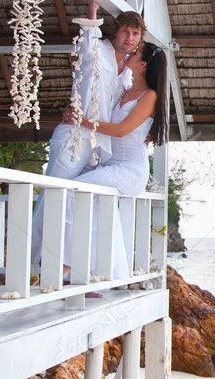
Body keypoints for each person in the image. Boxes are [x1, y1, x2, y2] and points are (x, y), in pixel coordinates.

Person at [30, 0, 146, 268]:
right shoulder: (98, 51)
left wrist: (145, 131)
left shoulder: (129, 75)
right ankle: (38, 262)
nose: (130, 38)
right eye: (126, 32)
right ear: (115, 33)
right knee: (55, 196)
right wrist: (93, 10)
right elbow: (87, 40)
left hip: (99, 148)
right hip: (74, 137)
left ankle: (76, 266)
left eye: (135, 34)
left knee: (82, 203)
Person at [61, 41, 169, 279]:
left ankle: (68, 265)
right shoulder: (125, 89)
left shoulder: (149, 96)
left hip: (130, 170)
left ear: (142, 64)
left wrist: (83, 122)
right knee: (96, 210)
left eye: (137, 52)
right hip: (111, 164)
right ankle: (97, 271)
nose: (131, 50)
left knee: (73, 191)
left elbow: (121, 130)